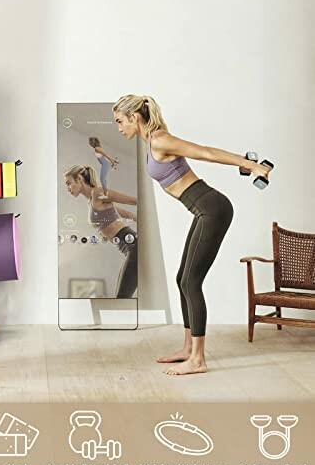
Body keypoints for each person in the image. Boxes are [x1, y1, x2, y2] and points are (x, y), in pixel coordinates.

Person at [112, 94, 270, 376]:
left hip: (213, 208)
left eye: (120, 121)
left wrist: (250, 164)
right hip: (203, 210)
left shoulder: (160, 139)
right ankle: (188, 348)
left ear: (135, 117)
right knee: (181, 278)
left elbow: (206, 152)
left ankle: (198, 359)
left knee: (191, 280)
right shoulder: (151, 142)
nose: (119, 127)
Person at [64, 164, 137, 298]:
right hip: (128, 248)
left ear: (79, 178)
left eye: (69, 183)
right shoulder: (92, 200)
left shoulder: (97, 193)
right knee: (121, 298)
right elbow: (125, 213)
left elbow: (132, 200)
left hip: (133, 247)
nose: (68, 188)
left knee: (121, 299)